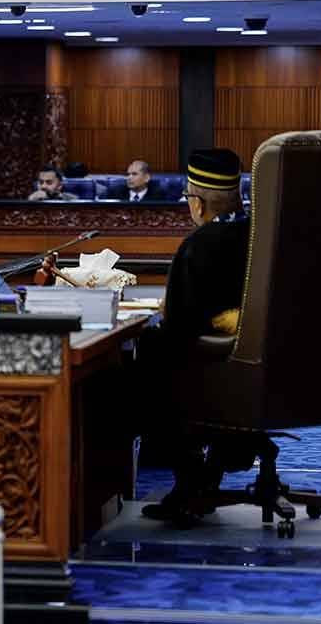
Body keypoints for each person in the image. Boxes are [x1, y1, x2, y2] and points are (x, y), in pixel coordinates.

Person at [135, 148, 252, 522]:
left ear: (198, 204)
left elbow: (179, 330)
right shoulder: (261, 235)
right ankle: (212, 471)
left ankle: (189, 478)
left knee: (147, 356)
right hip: (259, 372)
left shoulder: (199, 246)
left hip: (215, 377)